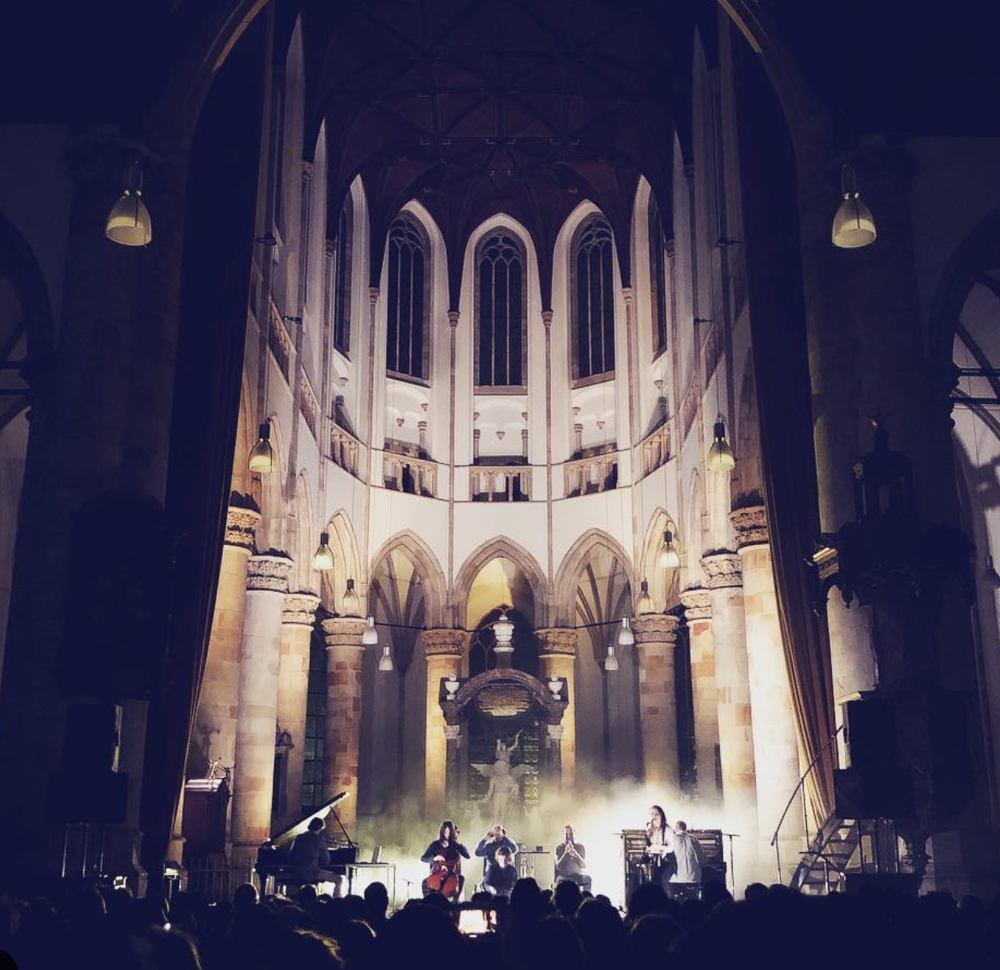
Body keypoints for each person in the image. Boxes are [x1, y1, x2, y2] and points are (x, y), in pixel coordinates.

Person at [289, 817, 345, 895]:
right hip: (313, 874)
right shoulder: (319, 839)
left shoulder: (299, 837)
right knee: (339, 879)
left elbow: (292, 856)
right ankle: (337, 898)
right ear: (321, 828)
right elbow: (326, 860)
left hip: (297, 872)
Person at [420, 820, 470, 903]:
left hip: (451, 875)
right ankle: (427, 903)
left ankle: (454, 903)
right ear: (442, 832)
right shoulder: (435, 844)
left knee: (461, 879)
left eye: (450, 832)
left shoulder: (455, 845)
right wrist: (435, 859)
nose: (447, 834)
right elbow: (424, 858)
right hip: (437, 872)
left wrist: (458, 843)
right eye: (446, 832)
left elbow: (467, 856)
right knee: (424, 883)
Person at [667, 820, 704, 898]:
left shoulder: (672, 839)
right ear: (685, 828)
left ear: (676, 828)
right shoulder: (694, 839)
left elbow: (667, 858)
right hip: (693, 878)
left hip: (677, 879)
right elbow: (702, 858)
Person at [644, 805, 675, 890]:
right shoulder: (650, 830)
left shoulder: (668, 830)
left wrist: (657, 848)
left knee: (664, 882)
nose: (653, 816)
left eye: (656, 814)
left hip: (667, 862)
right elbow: (648, 845)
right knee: (653, 883)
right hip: (655, 861)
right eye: (652, 814)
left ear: (661, 816)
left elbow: (671, 848)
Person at [554, 824, 592, 892]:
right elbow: (558, 867)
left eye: (571, 834)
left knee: (587, 879)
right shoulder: (559, 847)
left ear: (574, 834)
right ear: (563, 835)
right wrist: (565, 854)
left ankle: (586, 897)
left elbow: (584, 865)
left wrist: (576, 854)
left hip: (577, 876)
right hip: (564, 876)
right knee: (559, 880)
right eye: (566, 835)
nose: (569, 837)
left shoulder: (580, 847)